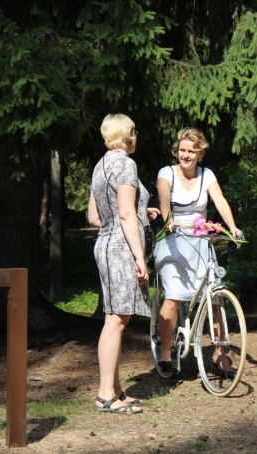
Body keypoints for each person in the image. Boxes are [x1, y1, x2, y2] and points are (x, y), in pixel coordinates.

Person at [154, 127, 242, 377]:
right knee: (173, 296)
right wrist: (169, 220)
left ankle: (220, 353)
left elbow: (220, 201)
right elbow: (164, 199)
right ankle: (165, 349)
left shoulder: (207, 175)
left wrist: (233, 228)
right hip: (174, 241)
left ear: (200, 154)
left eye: (191, 151)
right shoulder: (167, 173)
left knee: (214, 297)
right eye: (182, 150)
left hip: (200, 241)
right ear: (177, 151)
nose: (185, 155)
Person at [90, 114, 159, 415]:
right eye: (135, 132)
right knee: (116, 320)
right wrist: (140, 257)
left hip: (105, 243)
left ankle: (115, 390)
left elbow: (94, 217)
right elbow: (125, 214)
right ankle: (106, 394)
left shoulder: (101, 165)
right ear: (128, 135)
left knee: (117, 318)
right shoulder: (126, 164)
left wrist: (143, 211)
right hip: (121, 248)